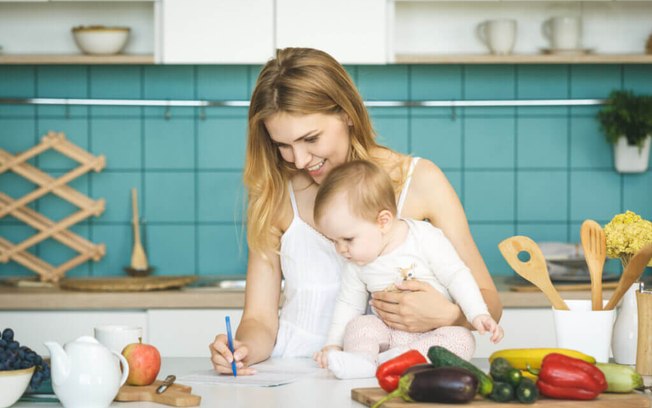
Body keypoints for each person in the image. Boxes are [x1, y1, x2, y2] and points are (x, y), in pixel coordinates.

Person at [209, 47, 502, 376]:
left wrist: (449, 316)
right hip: (291, 379)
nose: (300, 160)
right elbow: (260, 320)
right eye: (283, 145)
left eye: (311, 138)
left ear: (347, 113)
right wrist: (242, 348)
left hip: (392, 380)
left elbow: (490, 302)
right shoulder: (275, 194)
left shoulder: (420, 181)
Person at [311, 160, 503, 379]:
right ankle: (362, 361)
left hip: (434, 333)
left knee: (462, 339)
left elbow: (457, 275)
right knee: (361, 324)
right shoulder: (357, 262)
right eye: (334, 241)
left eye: (347, 239)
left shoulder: (424, 237)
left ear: (383, 221)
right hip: (390, 334)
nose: (341, 250)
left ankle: (398, 360)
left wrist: (477, 312)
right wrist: (333, 344)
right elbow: (348, 303)